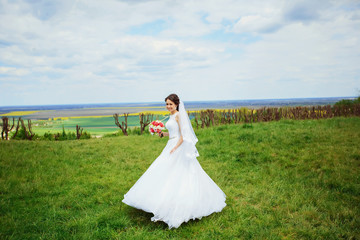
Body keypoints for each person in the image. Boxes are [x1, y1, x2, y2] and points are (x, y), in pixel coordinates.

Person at [122, 94, 226, 229]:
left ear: (176, 104)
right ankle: (161, 201)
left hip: (178, 147)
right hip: (171, 145)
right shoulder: (171, 116)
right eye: (166, 104)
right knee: (163, 170)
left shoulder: (178, 115)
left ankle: (178, 205)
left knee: (178, 172)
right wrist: (162, 133)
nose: (168, 106)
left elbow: (184, 135)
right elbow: (173, 134)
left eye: (170, 104)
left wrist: (176, 147)